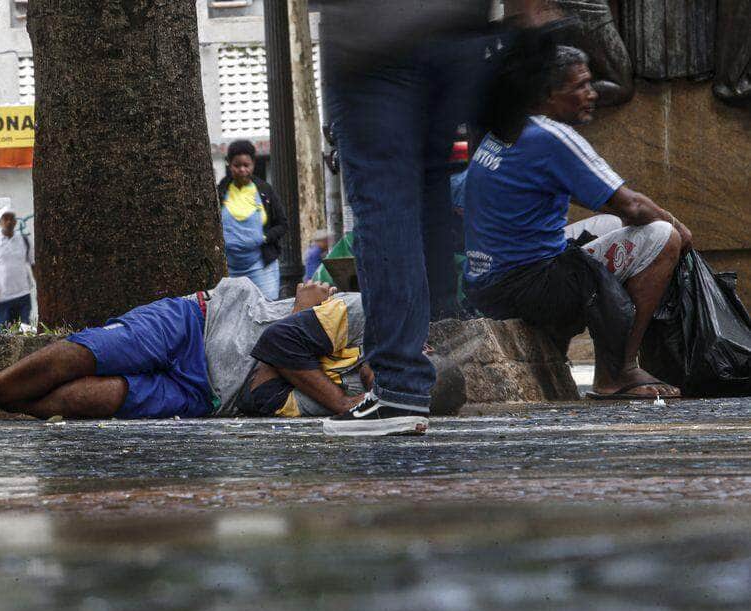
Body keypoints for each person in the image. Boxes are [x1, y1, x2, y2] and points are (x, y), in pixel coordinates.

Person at [0, 278, 423, 434]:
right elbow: (277, 348)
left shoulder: (353, 403)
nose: (376, 381)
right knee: (85, 354)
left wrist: (317, 381)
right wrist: (337, 400)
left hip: (209, 396)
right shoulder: (364, 314)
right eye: (392, 371)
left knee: (92, 401)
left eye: (379, 388)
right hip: (199, 321)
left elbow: (263, 398)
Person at [463, 44, 691, 400]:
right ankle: (618, 371)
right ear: (548, 95)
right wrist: (677, 225)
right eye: (581, 86)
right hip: (526, 286)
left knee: (606, 227)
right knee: (662, 237)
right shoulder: (551, 137)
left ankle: (587, 355)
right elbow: (632, 206)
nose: (592, 93)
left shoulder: (507, 127)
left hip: (487, 282)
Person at [320, 0, 496, 435]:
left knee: (384, 201)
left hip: (378, 37)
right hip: (453, 34)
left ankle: (399, 384)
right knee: (427, 191)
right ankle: (431, 347)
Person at [216, 140, 287, 301]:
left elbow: (282, 224)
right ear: (228, 164)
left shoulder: (264, 191)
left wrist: (264, 238)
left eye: (246, 165)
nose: (242, 170)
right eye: (237, 165)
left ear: (253, 164)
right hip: (230, 270)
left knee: (266, 309)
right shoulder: (221, 191)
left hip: (261, 267)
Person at [0, 207, 34, 331]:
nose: (8, 221)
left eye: (11, 218)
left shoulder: (24, 240)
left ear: (15, 221)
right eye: (5, 218)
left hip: (22, 295)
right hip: (0, 298)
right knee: (4, 336)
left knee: (26, 333)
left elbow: (33, 264)